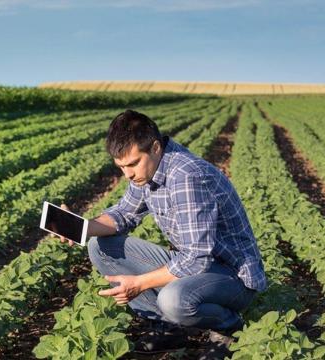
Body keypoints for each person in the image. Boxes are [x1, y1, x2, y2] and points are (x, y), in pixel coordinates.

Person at [55, 109, 267, 359]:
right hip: (197, 267)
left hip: (232, 277)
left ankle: (228, 328)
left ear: (155, 148)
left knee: (173, 299)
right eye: (121, 166)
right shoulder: (147, 172)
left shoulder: (187, 177)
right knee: (99, 247)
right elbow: (123, 213)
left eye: (133, 163)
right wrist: (81, 226)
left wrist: (139, 284)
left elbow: (197, 259)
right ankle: (170, 328)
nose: (128, 174)